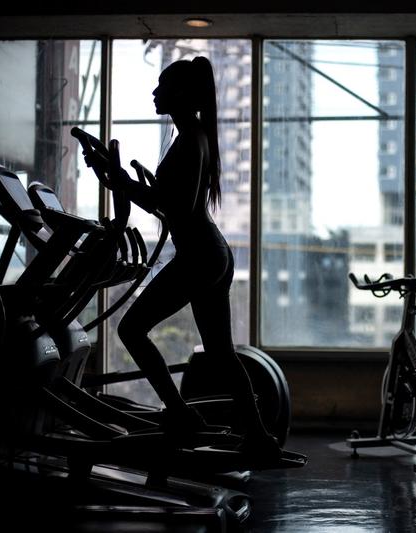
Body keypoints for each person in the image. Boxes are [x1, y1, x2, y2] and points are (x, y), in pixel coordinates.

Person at [96, 56, 279, 457]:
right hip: (213, 253)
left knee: (130, 330)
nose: (155, 92)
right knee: (221, 354)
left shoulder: (189, 140)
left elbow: (173, 208)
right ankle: (258, 435)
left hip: (199, 254)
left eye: (163, 86)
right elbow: (168, 205)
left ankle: (179, 412)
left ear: (182, 93)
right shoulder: (194, 137)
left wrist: (121, 180)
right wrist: (120, 180)